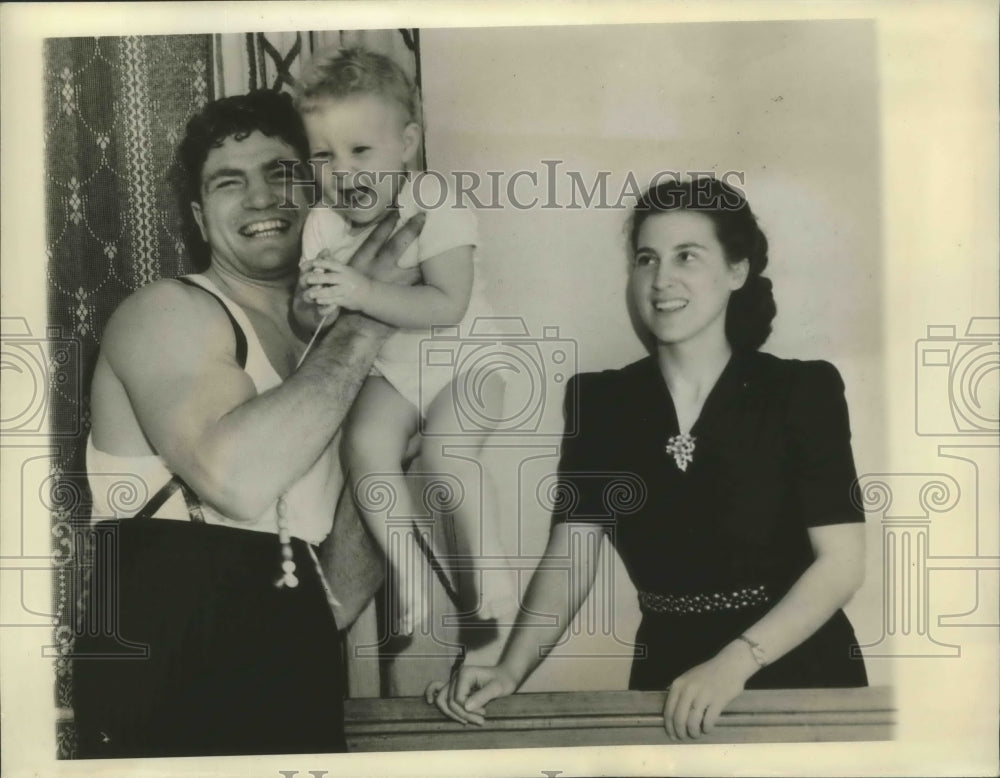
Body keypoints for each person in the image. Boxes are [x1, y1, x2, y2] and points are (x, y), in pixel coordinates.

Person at [426, 177, 869, 740]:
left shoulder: (802, 390)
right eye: (646, 258)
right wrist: (509, 668)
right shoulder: (602, 401)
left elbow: (842, 565)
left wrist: (733, 664)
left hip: (798, 673)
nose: (661, 280)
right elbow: (572, 558)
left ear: (737, 271)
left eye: (688, 256)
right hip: (666, 681)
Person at [72, 90, 425, 758]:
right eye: (230, 183)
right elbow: (232, 479)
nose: (261, 198)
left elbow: (338, 592)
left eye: (282, 174)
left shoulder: (335, 350)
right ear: (203, 219)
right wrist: (368, 321)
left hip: (292, 660)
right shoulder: (169, 312)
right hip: (164, 661)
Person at [291, 47, 516, 634]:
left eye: (361, 150)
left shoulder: (434, 202)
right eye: (324, 155)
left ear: (407, 143)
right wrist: (310, 303)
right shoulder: (322, 223)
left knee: (448, 454)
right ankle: (408, 572)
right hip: (394, 371)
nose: (344, 171)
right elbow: (311, 318)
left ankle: (490, 572)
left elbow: (447, 304)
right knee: (364, 447)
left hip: (466, 361)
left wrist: (361, 292)